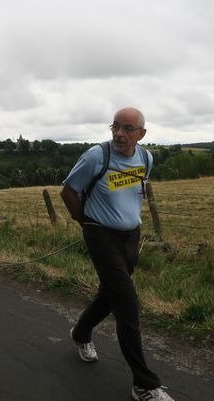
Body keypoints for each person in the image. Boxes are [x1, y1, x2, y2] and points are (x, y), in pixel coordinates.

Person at [60, 107, 174, 401]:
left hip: (130, 237)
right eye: (115, 127)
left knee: (110, 295)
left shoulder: (146, 158)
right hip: (100, 234)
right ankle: (144, 384)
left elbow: (137, 190)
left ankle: (81, 333)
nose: (119, 134)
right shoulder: (97, 156)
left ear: (142, 134)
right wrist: (85, 221)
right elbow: (68, 191)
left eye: (127, 129)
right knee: (127, 304)